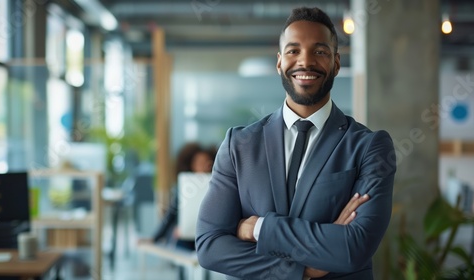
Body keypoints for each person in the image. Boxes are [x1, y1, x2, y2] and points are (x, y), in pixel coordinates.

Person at [196, 6, 396, 280]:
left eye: (320, 51)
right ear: (279, 62)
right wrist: (302, 270)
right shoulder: (239, 144)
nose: (305, 61)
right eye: (293, 51)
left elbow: (353, 247)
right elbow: (210, 246)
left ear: (336, 63)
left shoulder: (369, 147)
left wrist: (259, 229)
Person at [149, 142, 216, 279]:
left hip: (209, 235)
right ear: (191, 164)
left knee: (207, 258)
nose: (202, 166)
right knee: (181, 251)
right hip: (186, 237)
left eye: (206, 162)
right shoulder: (185, 187)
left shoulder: (218, 186)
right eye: (198, 162)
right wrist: (155, 237)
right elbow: (171, 214)